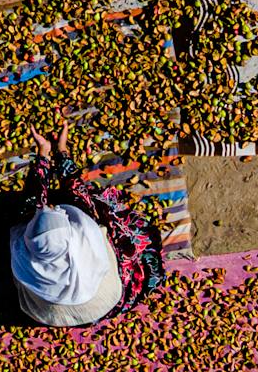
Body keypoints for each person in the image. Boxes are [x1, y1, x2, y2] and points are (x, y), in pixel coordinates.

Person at [9, 122, 163, 327]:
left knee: (30, 211)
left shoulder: (23, 256)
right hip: (103, 300)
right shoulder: (86, 233)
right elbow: (76, 191)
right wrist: (62, 152)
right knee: (106, 216)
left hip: (59, 313)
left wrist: (43, 153)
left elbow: (31, 202)